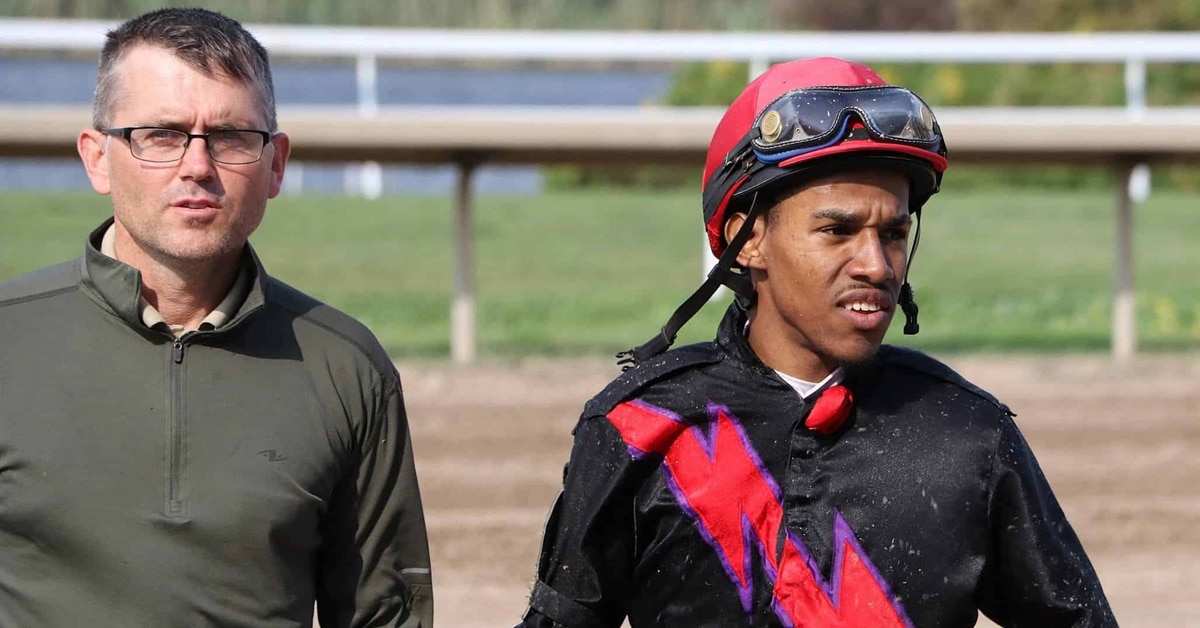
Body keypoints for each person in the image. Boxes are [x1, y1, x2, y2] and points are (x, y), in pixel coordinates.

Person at [519, 57, 1114, 627]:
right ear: (745, 239)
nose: (876, 266)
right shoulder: (637, 425)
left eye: (893, 233)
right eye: (837, 230)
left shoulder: (970, 435)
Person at [0, 8, 432, 627]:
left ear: (276, 164)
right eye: (161, 135)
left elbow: (383, 615)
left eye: (230, 137)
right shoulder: (9, 343)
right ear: (97, 157)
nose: (197, 166)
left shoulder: (346, 368)